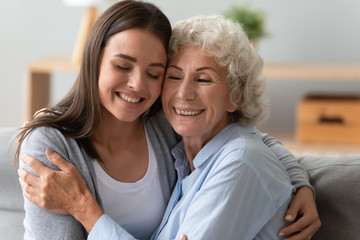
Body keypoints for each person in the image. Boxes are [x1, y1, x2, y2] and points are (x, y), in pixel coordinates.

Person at [16, 1, 320, 239]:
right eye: (122, 66)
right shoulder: (52, 144)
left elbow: (250, 145)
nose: (137, 84)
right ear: (93, 61)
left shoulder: (165, 125)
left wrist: (301, 184)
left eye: (154, 73)